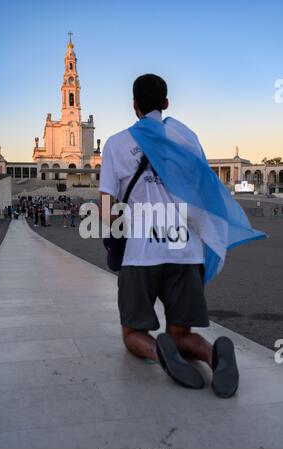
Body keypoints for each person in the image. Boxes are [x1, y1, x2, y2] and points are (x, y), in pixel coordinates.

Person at [99, 74, 261, 398]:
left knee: (132, 332)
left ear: (134, 105)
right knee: (181, 332)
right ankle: (213, 355)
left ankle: (159, 354)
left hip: (141, 252)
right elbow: (205, 193)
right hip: (185, 250)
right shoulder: (186, 139)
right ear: (166, 103)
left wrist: (113, 240)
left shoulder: (116, 144)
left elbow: (106, 209)